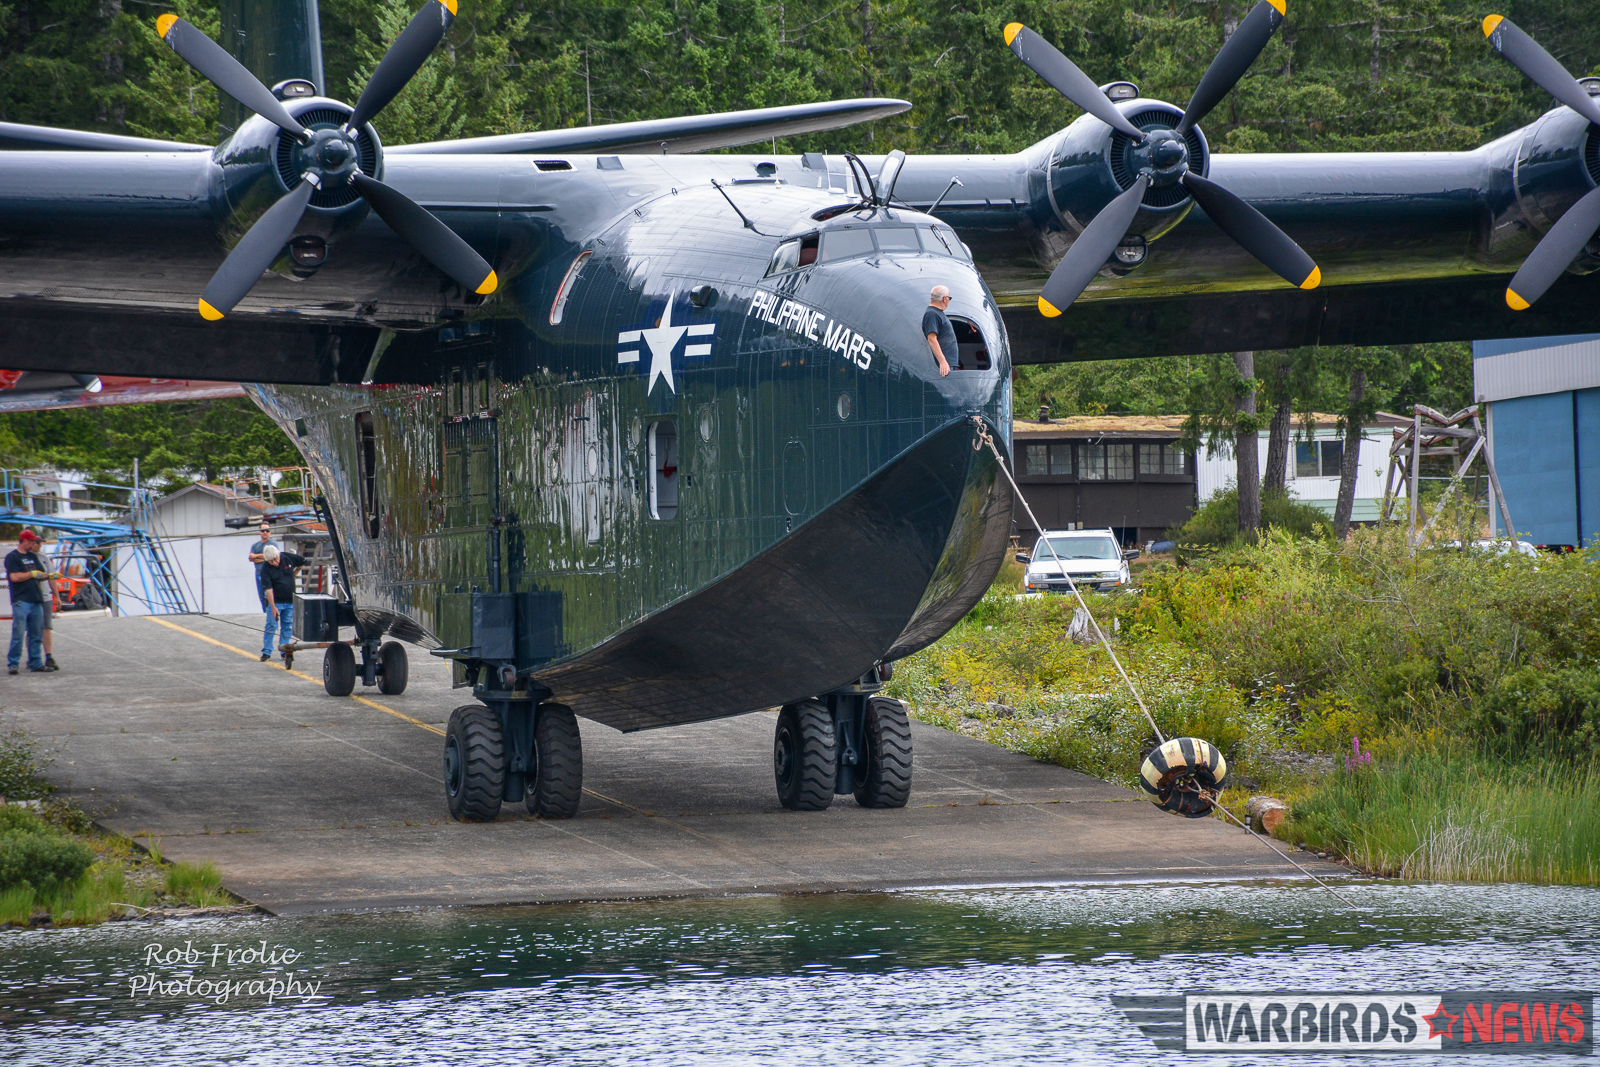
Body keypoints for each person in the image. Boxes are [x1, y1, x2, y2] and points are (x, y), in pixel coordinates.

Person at [5, 530, 50, 674]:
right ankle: (13, 663)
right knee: (19, 632)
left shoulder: (33, 556)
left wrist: (48, 576)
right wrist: (31, 574)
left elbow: (41, 574)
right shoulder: (12, 557)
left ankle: (36, 662)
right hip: (21, 599)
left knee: (36, 633)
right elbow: (14, 577)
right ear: (24, 541)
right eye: (32, 541)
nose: (34, 544)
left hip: (36, 598)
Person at [260, 543, 307, 668]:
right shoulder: (265, 568)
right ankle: (267, 651)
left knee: (287, 626)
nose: (274, 562)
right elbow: (268, 589)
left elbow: (302, 561)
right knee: (271, 625)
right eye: (271, 561)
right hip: (276, 602)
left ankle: (283, 649)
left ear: (278, 555)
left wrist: (295, 572)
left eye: (276, 559)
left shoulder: (287, 558)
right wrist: (273, 606)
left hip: (290, 600)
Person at [922, 285, 957, 378]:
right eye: (949, 298)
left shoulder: (937, 313)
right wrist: (943, 362)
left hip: (948, 363)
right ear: (944, 299)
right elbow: (931, 339)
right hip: (944, 366)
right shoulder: (932, 314)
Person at [248, 520, 277, 610]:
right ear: (259, 531)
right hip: (259, 573)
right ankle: (264, 613)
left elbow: (274, 557)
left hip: (270, 574)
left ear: (270, 532)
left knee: (268, 596)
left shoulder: (273, 544)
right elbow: (251, 558)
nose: (265, 532)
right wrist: (265, 557)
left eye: (267, 531)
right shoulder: (255, 545)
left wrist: (256, 556)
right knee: (261, 596)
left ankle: (270, 613)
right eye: (263, 530)